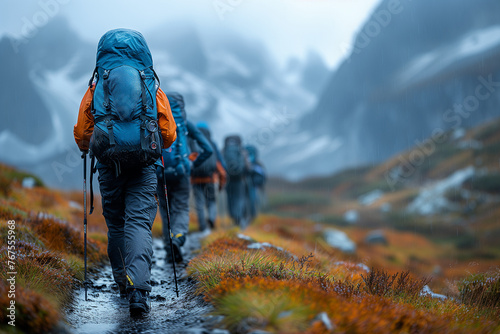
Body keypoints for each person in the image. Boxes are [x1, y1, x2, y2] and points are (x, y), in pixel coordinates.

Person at [74, 29, 177, 315]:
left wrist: (89, 146)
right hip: (145, 166)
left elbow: (83, 133)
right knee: (139, 225)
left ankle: (121, 281)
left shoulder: (97, 86)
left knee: (117, 225)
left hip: (109, 166)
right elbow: (167, 134)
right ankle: (139, 291)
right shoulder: (150, 85)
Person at [156, 92, 213, 263]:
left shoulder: (157, 121)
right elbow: (207, 149)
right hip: (182, 173)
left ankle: (169, 251)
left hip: (161, 175)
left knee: (166, 212)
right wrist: (192, 164)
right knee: (180, 209)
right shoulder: (186, 124)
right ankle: (178, 238)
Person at [190, 122, 227, 232]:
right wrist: (222, 177)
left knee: (199, 203)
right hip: (211, 178)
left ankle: (202, 226)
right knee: (211, 201)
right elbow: (220, 162)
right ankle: (211, 219)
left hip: (196, 179)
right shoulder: (212, 143)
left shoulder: (192, 142)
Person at [223, 135, 250, 228]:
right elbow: (248, 167)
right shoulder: (242, 151)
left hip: (228, 179)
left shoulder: (224, 150)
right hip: (239, 179)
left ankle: (233, 218)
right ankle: (239, 218)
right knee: (239, 198)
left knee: (230, 198)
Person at [244, 144, 267, 221]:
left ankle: (248, 216)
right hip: (255, 186)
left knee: (247, 200)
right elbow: (263, 176)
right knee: (253, 200)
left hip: (247, 185)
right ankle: (252, 217)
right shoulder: (258, 164)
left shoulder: (246, 163)